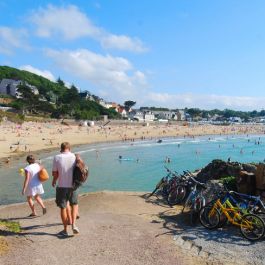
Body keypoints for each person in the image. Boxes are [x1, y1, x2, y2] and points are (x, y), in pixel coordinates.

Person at [52, 142, 79, 236]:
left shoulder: (56, 157)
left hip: (62, 186)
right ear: (69, 148)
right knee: (74, 205)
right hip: (73, 186)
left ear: (61, 148)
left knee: (63, 207)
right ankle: (74, 225)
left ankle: (65, 230)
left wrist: (54, 180)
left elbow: (55, 173)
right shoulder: (75, 157)